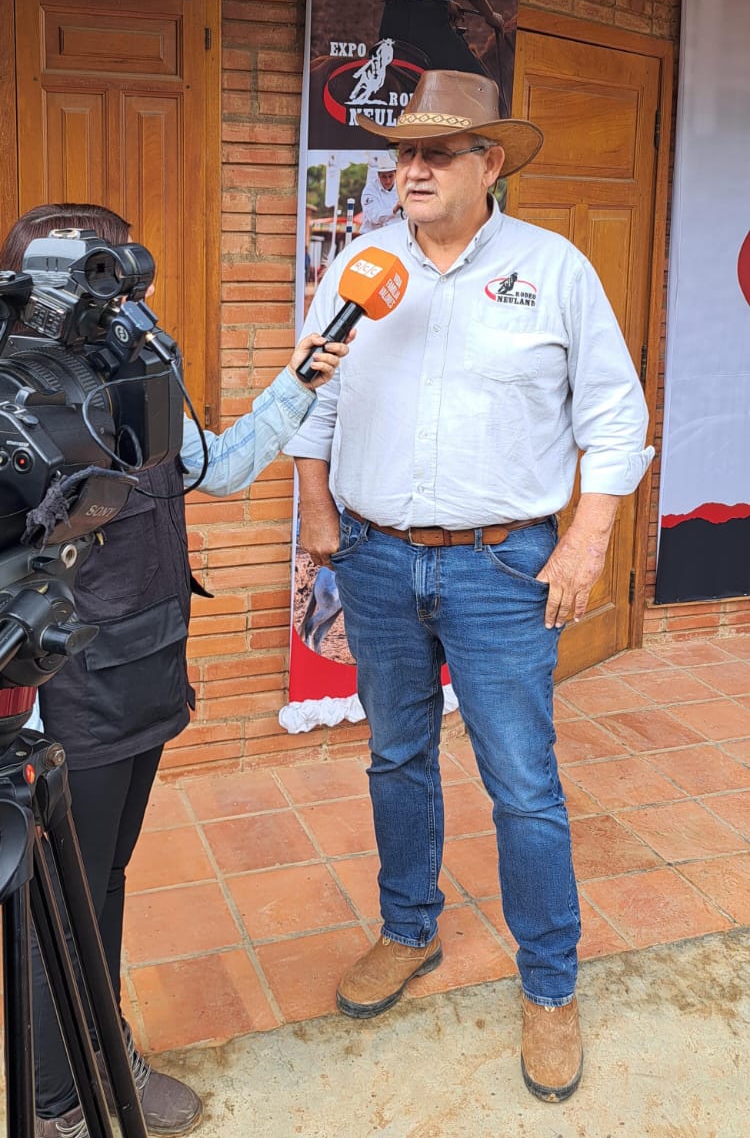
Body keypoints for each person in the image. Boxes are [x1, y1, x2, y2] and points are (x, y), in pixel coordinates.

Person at [285, 70, 653, 1104]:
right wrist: (316, 517)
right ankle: (408, 930)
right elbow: (310, 395)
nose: (411, 169)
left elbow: (613, 417)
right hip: (375, 553)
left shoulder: (554, 268)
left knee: (520, 779)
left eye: (437, 153)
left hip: (503, 564)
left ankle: (549, 983)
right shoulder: (359, 267)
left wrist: (585, 541)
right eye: (403, 152)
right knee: (397, 754)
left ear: (490, 163)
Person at [0, 202, 350, 1138]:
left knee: (103, 877)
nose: (114, 296)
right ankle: (57, 1101)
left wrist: (298, 383)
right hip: (65, 689)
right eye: (91, 275)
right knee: (57, 900)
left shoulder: (140, 376)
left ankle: (98, 1052)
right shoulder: (3, 399)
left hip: (145, 668)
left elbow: (218, 471)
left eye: (119, 275)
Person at [359, 150, 401, 233]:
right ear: (378, 175)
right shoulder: (369, 191)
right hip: (371, 237)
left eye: (390, 176)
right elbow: (374, 217)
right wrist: (394, 210)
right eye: (384, 177)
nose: (388, 180)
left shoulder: (402, 188)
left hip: (394, 237)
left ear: (396, 174)